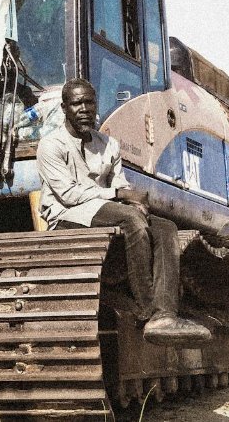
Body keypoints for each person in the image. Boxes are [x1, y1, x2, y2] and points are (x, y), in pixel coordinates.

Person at [36, 77, 210, 346]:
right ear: (64, 108)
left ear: (96, 106)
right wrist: (120, 196)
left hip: (104, 209)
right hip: (67, 215)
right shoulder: (51, 145)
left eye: (89, 103)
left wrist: (133, 201)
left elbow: (119, 183)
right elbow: (69, 195)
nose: (84, 109)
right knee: (131, 220)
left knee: (165, 227)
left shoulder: (108, 144)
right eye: (77, 103)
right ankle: (146, 308)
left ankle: (164, 315)